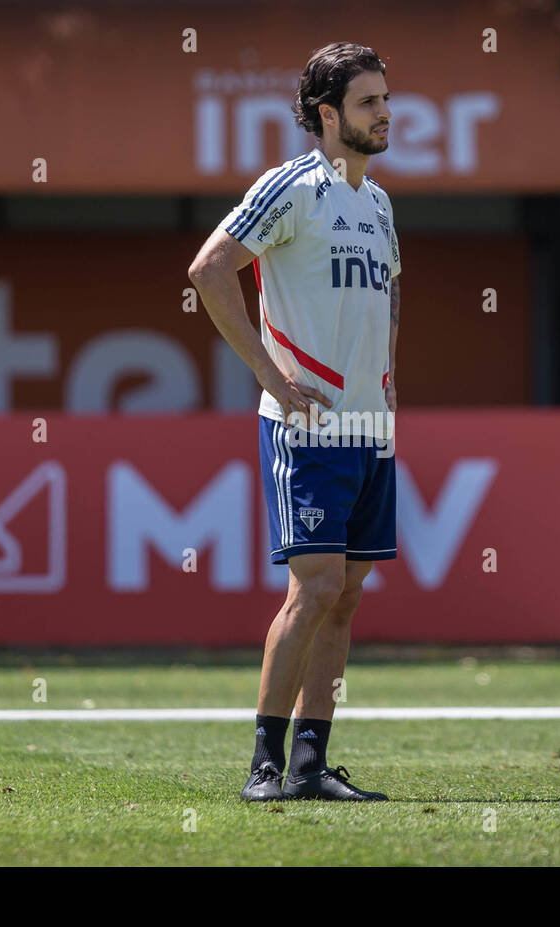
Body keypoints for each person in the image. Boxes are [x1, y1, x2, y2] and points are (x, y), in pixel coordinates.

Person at [187, 43, 399, 800]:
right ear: (327, 113)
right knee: (312, 590)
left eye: (385, 98)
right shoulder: (290, 188)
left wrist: (389, 385)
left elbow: (386, 298)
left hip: (369, 427)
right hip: (306, 425)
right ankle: (264, 767)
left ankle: (311, 764)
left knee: (345, 594)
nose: (386, 112)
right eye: (369, 100)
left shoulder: (377, 202)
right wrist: (270, 377)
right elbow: (210, 270)